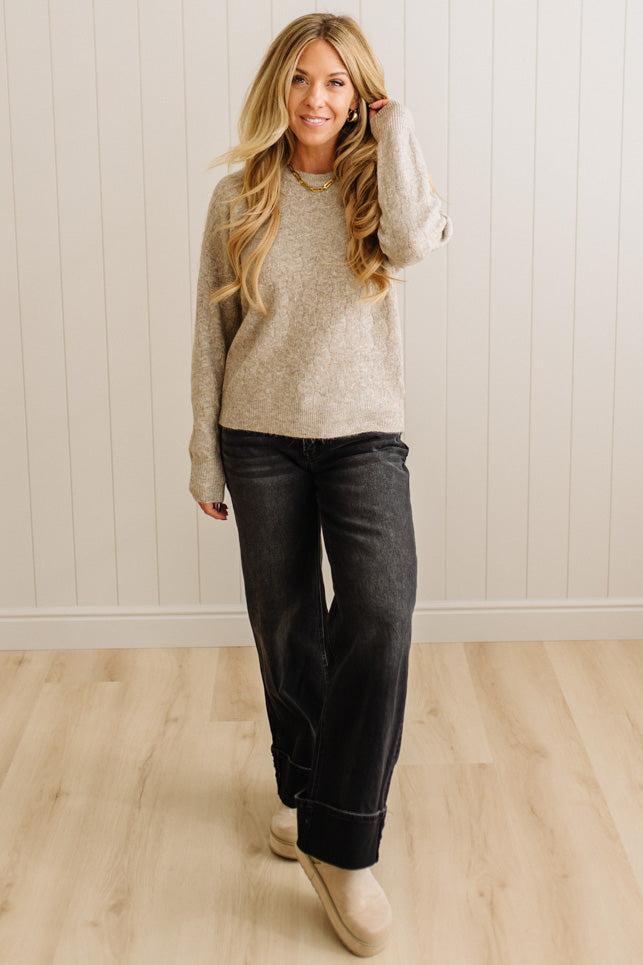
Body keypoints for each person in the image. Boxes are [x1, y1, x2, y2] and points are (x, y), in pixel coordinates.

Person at [188, 12, 452, 957]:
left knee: (378, 611)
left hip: (361, 437)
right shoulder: (236, 198)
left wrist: (399, 130)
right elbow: (211, 333)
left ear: (359, 95)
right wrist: (202, 449)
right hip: (256, 439)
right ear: (278, 87)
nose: (314, 99)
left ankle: (341, 844)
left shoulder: (376, 186)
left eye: (336, 83)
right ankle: (305, 800)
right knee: (288, 625)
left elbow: (418, 242)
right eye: (300, 80)